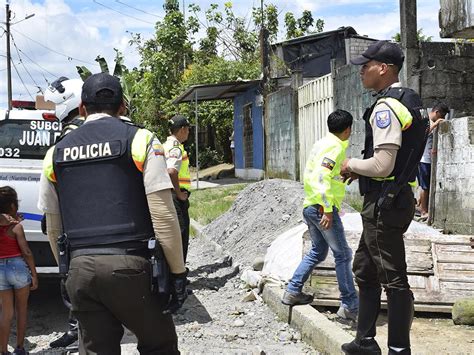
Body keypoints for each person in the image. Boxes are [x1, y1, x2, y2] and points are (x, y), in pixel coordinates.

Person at [38, 73, 187, 354]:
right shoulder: (141, 140)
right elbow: (164, 215)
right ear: (122, 108)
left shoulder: (55, 153)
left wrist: (66, 272)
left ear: (82, 108)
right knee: (160, 345)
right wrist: (178, 273)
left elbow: (53, 225)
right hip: (132, 267)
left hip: (80, 271)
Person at [340, 41, 428, 355]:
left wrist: (350, 165)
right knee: (364, 267)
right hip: (394, 197)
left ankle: (399, 350)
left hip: (384, 202)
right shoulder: (411, 99)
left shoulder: (386, 107)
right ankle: (364, 340)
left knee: (394, 278)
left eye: (367, 65)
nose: (361, 71)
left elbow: (382, 164)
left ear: (384, 68)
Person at [281, 109, 359, 322]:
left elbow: (324, 174)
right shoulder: (334, 148)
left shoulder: (323, 143)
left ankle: (293, 290)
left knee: (318, 251)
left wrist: (343, 177)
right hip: (321, 208)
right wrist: (327, 209)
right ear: (348, 129)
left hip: (311, 205)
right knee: (343, 254)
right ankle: (350, 305)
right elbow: (322, 176)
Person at [42, 76, 85, 349]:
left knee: (70, 274)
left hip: (72, 217)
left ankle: (77, 331)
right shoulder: (84, 127)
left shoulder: (70, 134)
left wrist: (51, 220)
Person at [0, 186, 38, 355]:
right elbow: (26, 252)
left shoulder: (13, 224)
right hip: (18, 267)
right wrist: (34, 274)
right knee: (21, 309)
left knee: (6, 312)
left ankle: (3, 350)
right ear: (13, 206)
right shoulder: (16, 228)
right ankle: (20, 348)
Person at [163, 115, 191, 264]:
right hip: (176, 195)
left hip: (169, 194)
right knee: (181, 233)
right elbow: (172, 171)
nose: (188, 132)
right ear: (182, 130)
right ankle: (179, 273)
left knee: (174, 234)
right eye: (188, 129)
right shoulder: (175, 148)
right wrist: (179, 193)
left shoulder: (165, 145)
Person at [416, 102, 449, 221]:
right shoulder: (425, 120)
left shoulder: (431, 121)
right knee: (424, 186)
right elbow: (421, 135)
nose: (443, 118)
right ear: (437, 112)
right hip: (424, 158)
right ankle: (424, 211)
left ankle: (420, 207)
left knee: (424, 185)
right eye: (442, 115)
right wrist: (435, 124)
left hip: (427, 159)